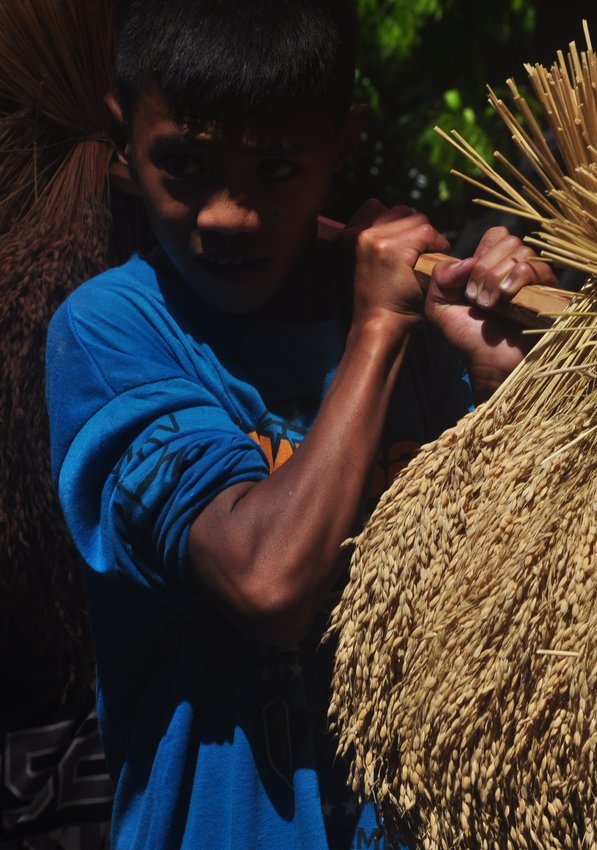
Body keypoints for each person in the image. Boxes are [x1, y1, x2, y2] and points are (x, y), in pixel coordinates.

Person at [43, 1, 557, 847]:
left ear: (344, 140)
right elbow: (266, 580)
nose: (226, 217)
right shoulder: (112, 333)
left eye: (276, 170)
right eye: (183, 163)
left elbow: (529, 596)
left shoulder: (424, 334)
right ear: (123, 136)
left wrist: (499, 380)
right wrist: (379, 332)